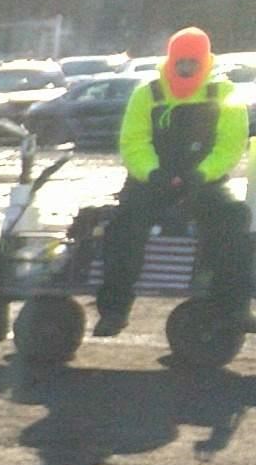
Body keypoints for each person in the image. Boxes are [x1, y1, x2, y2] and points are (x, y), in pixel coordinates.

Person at [95, 26, 249, 335]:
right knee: (123, 225)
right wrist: (153, 173)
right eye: (181, 62)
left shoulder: (224, 93)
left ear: (204, 61)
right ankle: (114, 309)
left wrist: (201, 174)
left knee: (234, 219)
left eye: (193, 62)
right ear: (171, 60)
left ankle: (230, 308)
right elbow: (133, 142)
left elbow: (231, 144)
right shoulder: (147, 93)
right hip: (150, 181)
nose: (186, 68)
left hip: (203, 181)